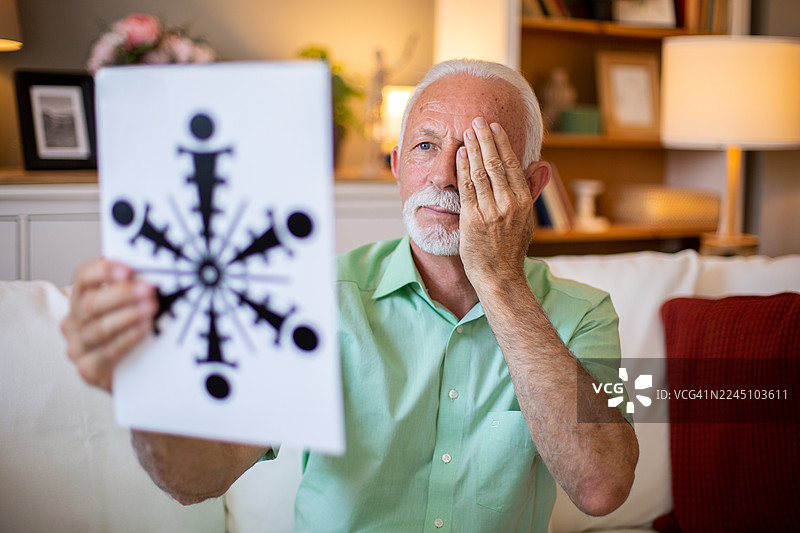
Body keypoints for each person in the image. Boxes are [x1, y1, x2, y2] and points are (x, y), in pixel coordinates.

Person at [61, 58, 638, 532]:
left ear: (533, 185)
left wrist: (502, 283)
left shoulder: (585, 312)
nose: (443, 177)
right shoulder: (314, 297)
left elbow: (603, 487)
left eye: (478, 155)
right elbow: (196, 481)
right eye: (425, 147)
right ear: (396, 166)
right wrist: (143, 385)